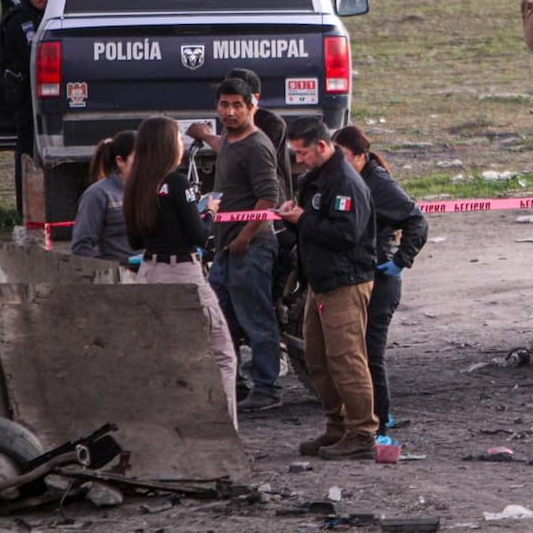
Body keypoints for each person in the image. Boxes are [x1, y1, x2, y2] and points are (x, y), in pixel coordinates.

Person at [123, 116, 238, 429]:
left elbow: (135, 239)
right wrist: (209, 214)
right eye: (176, 139)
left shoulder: (135, 184)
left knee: (163, 358)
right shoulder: (177, 182)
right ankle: (226, 433)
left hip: (148, 273)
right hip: (183, 274)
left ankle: (164, 429)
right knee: (222, 354)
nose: (181, 144)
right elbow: (198, 235)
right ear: (166, 146)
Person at [275, 117, 377, 460]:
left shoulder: (345, 183)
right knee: (318, 359)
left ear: (321, 146)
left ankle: (362, 432)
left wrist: (302, 220)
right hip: (319, 281)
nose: (298, 159)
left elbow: (345, 235)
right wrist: (295, 219)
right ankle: (336, 427)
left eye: (302, 152)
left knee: (346, 360)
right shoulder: (316, 179)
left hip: (344, 282)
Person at [331, 125, 427, 434]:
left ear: (360, 157)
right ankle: (363, 418)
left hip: (381, 278)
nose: (338, 162)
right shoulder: (353, 180)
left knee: (371, 353)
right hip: (361, 273)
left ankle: (381, 421)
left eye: (343, 156)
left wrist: (401, 259)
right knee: (357, 351)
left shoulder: (378, 183)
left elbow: (416, 219)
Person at [206, 77, 282, 412]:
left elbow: (269, 198)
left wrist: (244, 237)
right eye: (224, 104)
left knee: (257, 319)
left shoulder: (256, 145)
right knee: (219, 317)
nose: (230, 111)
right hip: (227, 246)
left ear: (253, 106)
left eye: (238, 104)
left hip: (250, 246)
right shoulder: (230, 140)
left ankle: (267, 388)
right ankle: (232, 383)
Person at [186, 68, 292, 202]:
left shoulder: (272, 123)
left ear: (254, 98)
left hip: (270, 207)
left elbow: (239, 153)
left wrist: (205, 136)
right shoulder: (232, 123)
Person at [0, 0, 53, 222]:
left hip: (40, 97)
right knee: (27, 152)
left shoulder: (45, 17)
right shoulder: (19, 19)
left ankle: (43, 208)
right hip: (24, 97)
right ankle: (26, 211)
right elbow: (30, 51)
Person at [71, 131, 136, 262]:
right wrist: (111, 268)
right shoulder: (98, 194)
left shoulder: (152, 190)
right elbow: (81, 246)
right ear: (120, 161)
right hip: (118, 275)